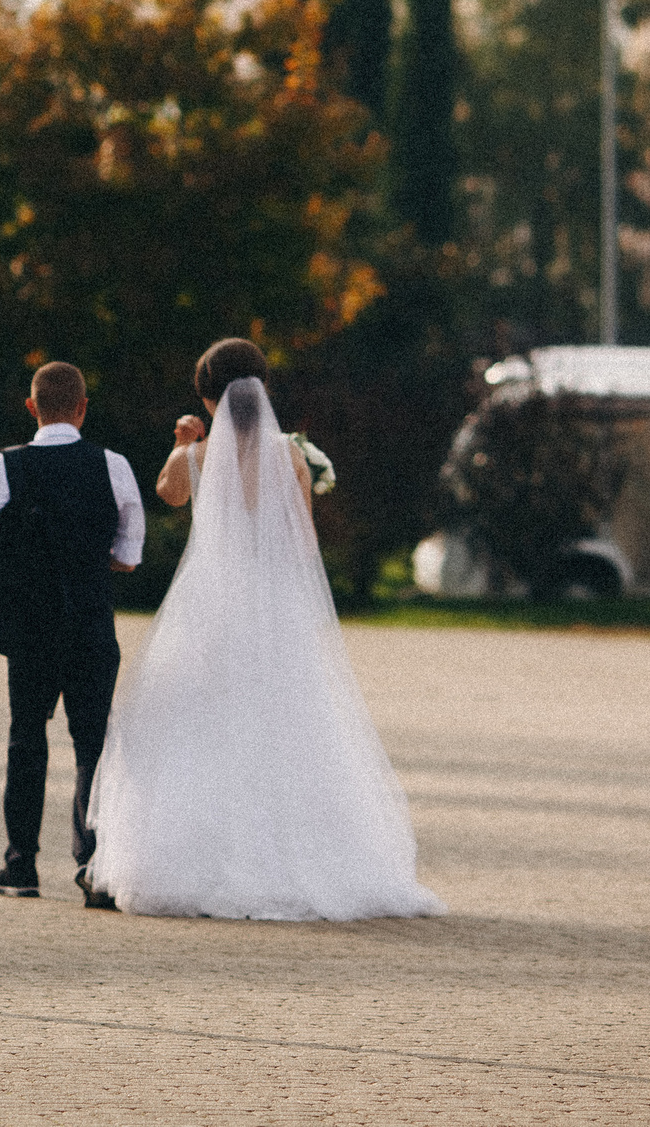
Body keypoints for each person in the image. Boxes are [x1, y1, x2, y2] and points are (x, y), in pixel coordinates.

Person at [85, 337, 443, 921]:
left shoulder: (195, 458)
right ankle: (293, 855)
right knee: (285, 724)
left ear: (207, 399)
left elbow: (166, 494)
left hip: (210, 603)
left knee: (200, 723)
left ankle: (194, 856)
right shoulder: (291, 458)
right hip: (274, 603)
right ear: (264, 391)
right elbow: (302, 539)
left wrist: (182, 445)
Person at [0, 361, 143, 901]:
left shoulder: (4, 466)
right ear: (83, 407)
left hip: (31, 624)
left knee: (26, 738)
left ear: (31, 407)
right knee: (91, 742)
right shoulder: (111, 465)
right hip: (92, 620)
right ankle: (94, 867)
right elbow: (129, 555)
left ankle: (21, 863)